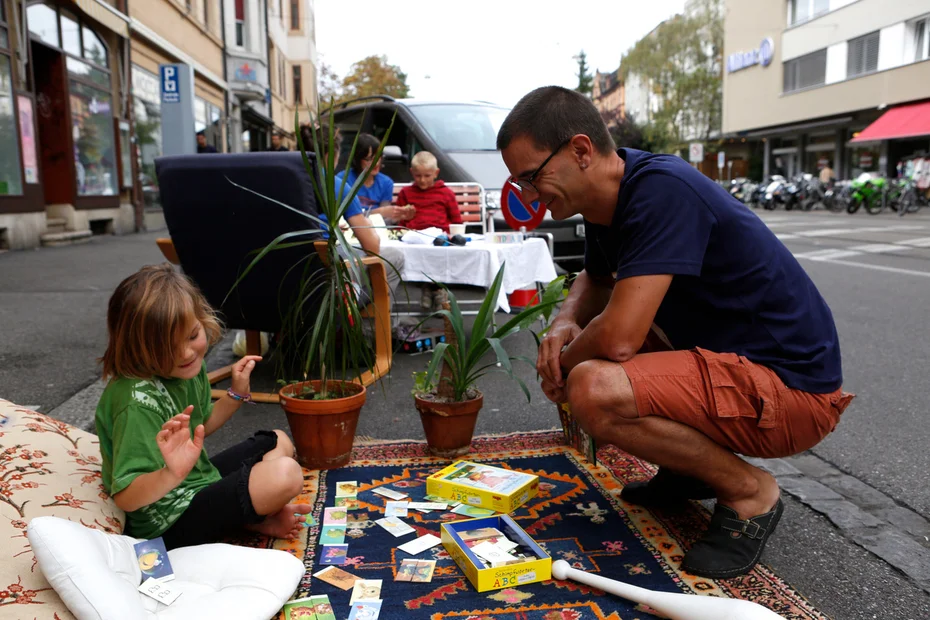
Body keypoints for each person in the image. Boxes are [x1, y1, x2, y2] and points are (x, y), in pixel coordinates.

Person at [497, 86, 854, 579]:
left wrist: (563, 361)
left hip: (792, 391)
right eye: (519, 184)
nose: (528, 195)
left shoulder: (662, 189)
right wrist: (563, 323)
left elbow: (619, 336)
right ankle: (687, 471)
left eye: (531, 177)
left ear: (580, 150)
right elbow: (596, 277)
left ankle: (751, 493)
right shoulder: (610, 198)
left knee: (594, 387)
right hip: (741, 366)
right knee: (601, 354)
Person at [95, 264, 310, 550]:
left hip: (195, 482)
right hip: (167, 521)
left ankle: (249, 514)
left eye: (192, 335)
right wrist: (172, 473)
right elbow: (126, 496)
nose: (186, 353)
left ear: (202, 319)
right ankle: (252, 517)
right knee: (285, 474)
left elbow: (201, 427)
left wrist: (235, 394)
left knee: (278, 440)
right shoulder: (135, 402)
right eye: (167, 347)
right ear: (137, 347)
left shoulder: (185, 368)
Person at [298, 124, 406, 313]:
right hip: (327, 268)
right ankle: (356, 325)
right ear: (335, 154)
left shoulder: (283, 181)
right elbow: (371, 247)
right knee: (395, 258)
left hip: (288, 272)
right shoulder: (336, 185)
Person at [395, 151, 463, 310]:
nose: (422, 180)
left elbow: (456, 220)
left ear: (436, 173)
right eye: (418, 176)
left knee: (438, 248)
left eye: (427, 175)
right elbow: (401, 223)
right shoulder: (406, 193)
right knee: (419, 249)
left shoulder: (445, 193)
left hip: (439, 238)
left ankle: (431, 289)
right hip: (415, 239)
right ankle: (438, 291)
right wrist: (406, 217)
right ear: (412, 173)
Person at [335, 132, 415, 224]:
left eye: (378, 157)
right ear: (357, 159)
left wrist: (399, 217)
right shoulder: (343, 179)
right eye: (369, 159)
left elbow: (384, 221)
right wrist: (377, 212)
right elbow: (341, 216)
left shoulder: (386, 183)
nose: (376, 163)